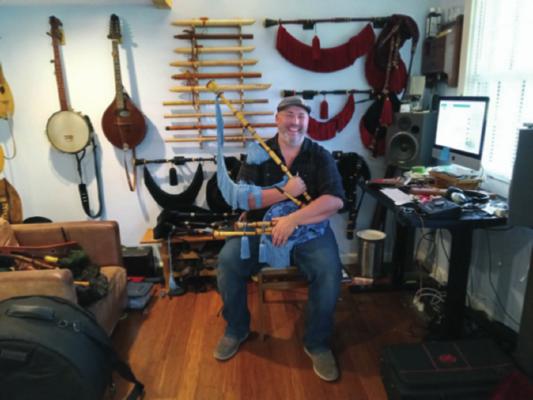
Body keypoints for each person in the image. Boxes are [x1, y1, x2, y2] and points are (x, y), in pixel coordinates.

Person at [214, 96, 345, 382]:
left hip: (307, 230)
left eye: (301, 116)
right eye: (289, 114)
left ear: (307, 121)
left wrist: (293, 219)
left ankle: (317, 343)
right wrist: (285, 191)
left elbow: (334, 200)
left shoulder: (319, 155)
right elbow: (245, 199)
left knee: (329, 270)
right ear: (277, 119)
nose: (295, 122)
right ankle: (236, 329)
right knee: (227, 261)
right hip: (262, 227)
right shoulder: (258, 152)